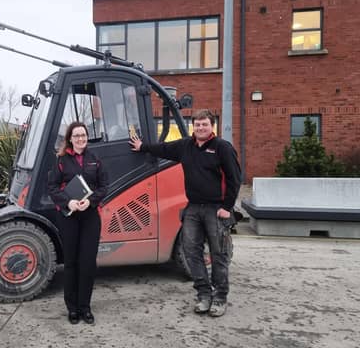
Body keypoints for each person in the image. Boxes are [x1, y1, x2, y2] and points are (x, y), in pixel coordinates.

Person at [129, 109, 241, 317]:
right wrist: (142, 147)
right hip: (193, 207)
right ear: (193, 126)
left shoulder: (222, 148)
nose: (200, 128)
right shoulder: (186, 146)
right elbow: (163, 148)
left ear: (212, 126)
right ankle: (204, 295)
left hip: (216, 210)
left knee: (219, 254)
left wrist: (227, 207)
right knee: (191, 252)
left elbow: (235, 178)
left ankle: (220, 298)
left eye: (204, 125)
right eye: (197, 125)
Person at [48, 121, 108, 325]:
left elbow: (104, 186)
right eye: (76, 136)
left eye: (83, 135)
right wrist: (69, 202)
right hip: (68, 217)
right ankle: (72, 308)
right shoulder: (62, 160)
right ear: (70, 139)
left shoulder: (95, 159)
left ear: (87, 137)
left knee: (88, 263)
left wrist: (90, 201)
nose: (81, 139)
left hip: (90, 215)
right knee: (71, 262)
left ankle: (85, 307)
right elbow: (52, 187)